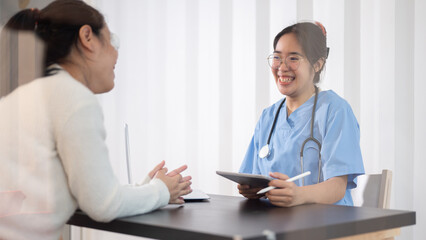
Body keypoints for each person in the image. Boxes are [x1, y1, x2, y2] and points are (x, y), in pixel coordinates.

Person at [0, 1, 191, 239]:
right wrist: (161, 190)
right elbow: (103, 205)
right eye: (111, 41)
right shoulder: (72, 96)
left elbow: (85, 195)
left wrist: (146, 190)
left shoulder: (24, 95)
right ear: (87, 37)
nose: (116, 53)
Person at [238, 22, 364, 207]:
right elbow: (255, 177)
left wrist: (299, 195)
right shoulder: (268, 117)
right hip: (277, 223)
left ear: (318, 64)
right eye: (277, 57)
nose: (282, 67)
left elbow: (337, 187)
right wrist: (252, 189)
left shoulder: (335, 110)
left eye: (293, 58)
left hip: (328, 225)